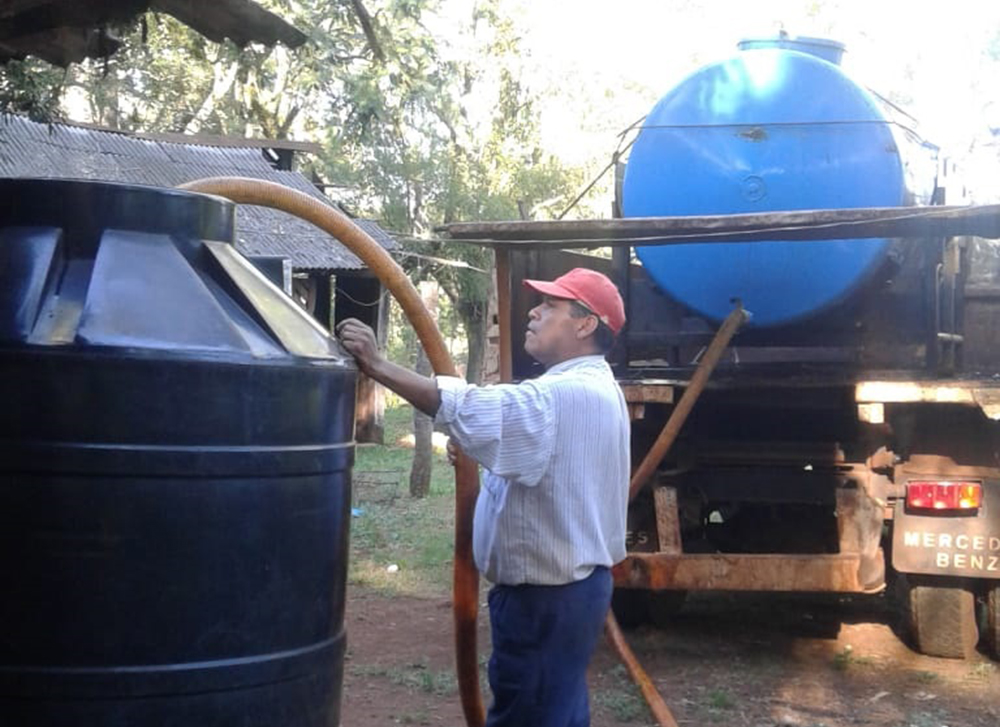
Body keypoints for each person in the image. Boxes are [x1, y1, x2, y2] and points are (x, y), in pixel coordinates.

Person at [336, 267, 630, 727]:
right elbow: (545, 474)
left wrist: (378, 365)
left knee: (530, 714)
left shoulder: (562, 394)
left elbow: (467, 406)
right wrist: (482, 454)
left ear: (586, 323)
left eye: (550, 306)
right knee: (556, 709)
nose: (533, 312)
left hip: (543, 602)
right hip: (570, 594)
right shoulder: (597, 387)